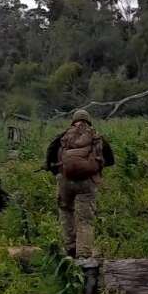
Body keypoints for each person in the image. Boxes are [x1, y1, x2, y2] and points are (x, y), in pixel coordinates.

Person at [45, 110, 114, 258]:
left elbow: (50, 153)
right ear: (89, 121)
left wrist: (56, 171)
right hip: (87, 183)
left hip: (65, 182)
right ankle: (83, 256)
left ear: (73, 121)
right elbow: (111, 160)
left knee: (66, 212)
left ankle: (70, 248)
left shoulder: (63, 136)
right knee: (85, 220)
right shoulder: (97, 137)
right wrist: (93, 167)